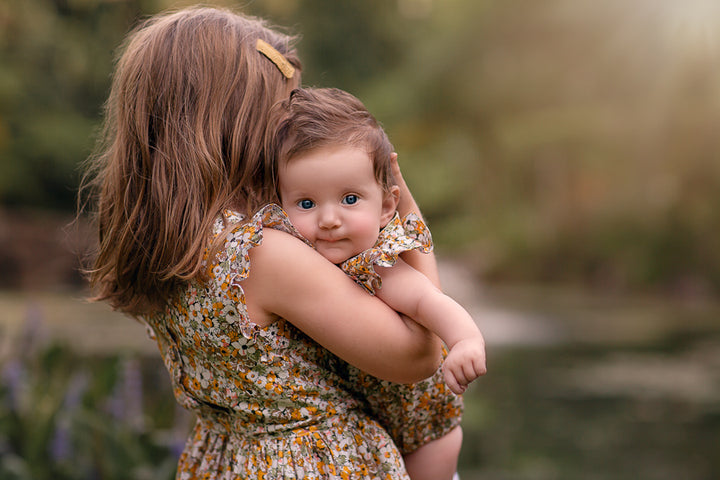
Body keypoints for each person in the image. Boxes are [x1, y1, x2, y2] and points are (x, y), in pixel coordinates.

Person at [78, 6, 464, 479]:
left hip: (225, 461)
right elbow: (418, 357)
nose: (295, 129)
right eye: (283, 111)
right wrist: (399, 202)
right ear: (237, 120)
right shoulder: (261, 254)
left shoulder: (174, 244)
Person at [266, 87, 487, 480]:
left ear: (387, 206)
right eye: (306, 204)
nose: (330, 219)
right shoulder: (294, 262)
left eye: (350, 199)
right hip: (372, 418)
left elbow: (429, 302)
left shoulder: (375, 266)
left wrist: (466, 341)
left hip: (421, 429)